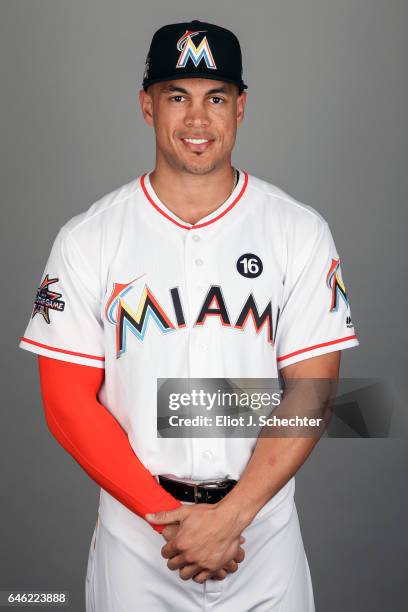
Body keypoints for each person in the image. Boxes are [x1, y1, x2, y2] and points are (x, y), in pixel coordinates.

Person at [18, 19, 359, 611]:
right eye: (177, 96)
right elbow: (67, 403)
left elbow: (311, 392)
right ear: (147, 106)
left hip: (262, 535)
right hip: (137, 540)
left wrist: (231, 517)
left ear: (241, 108)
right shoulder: (88, 238)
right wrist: (169, 522)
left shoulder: (298, 230)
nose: (198, 120)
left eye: (216, 98)